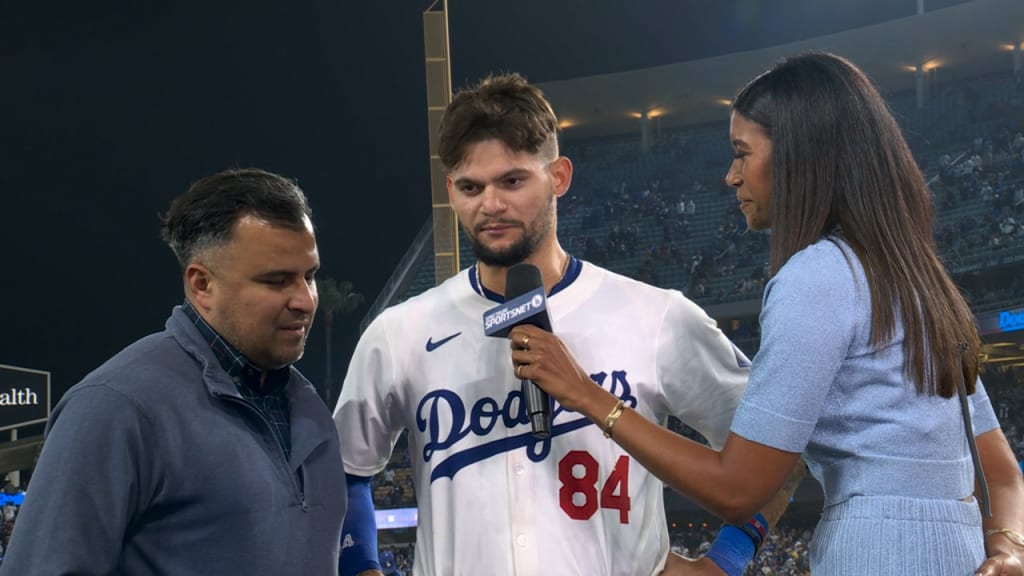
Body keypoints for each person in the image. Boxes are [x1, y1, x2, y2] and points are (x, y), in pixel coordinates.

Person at [513, 52, 1024, 575]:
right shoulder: (914, 280)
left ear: (800, 157)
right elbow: (1003, 474)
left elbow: (737, 489)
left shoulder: (817, 275)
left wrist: (586, 395)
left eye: (742, 153)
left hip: (875, 550)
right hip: (961, 552)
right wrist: (1008, 550)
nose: (731, 176)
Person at [334, 73, 802, 576]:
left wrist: (725, 561)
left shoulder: (657, 316)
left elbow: (782, 457)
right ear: (451, 190)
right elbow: (344, 474)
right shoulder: (400, 331)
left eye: (513, 181)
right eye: (471, 186)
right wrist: (362, 567)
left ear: (558, 176)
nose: (490, 204)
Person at [0, 168, 348, 575]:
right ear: (202, 285)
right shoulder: (115, 407)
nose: (305, 301)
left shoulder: (309, 408)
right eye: (276, 281)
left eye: (309, 276)